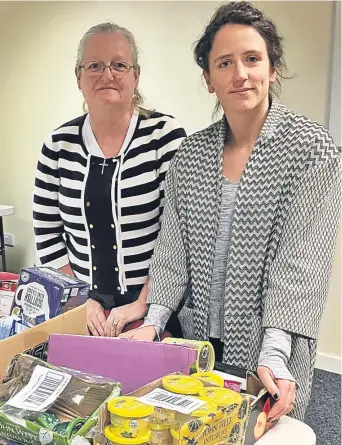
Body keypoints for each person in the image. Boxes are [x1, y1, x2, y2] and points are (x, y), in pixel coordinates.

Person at [120, 1, 341, 423]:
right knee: (192, 426)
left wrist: (275, 353)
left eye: (252, 59)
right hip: (194, 338)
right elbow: (171, 251)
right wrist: (153, 322)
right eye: (224, 63)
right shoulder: (190, 155)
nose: (240, 74)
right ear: (209, 79)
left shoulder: (313, 151)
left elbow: (301, 264)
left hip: (267, 346)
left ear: (272, 68)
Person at [33, 22, 186, 338]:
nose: (107, 74)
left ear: (136, 75)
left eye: (119, 65)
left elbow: (181, 236)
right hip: (80, 307)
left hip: (153, 307)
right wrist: (77, 300)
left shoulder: (165, 137)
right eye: (94, 65)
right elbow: (48, 234)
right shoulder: (58, 146)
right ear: (79, 77)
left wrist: (144, 304)